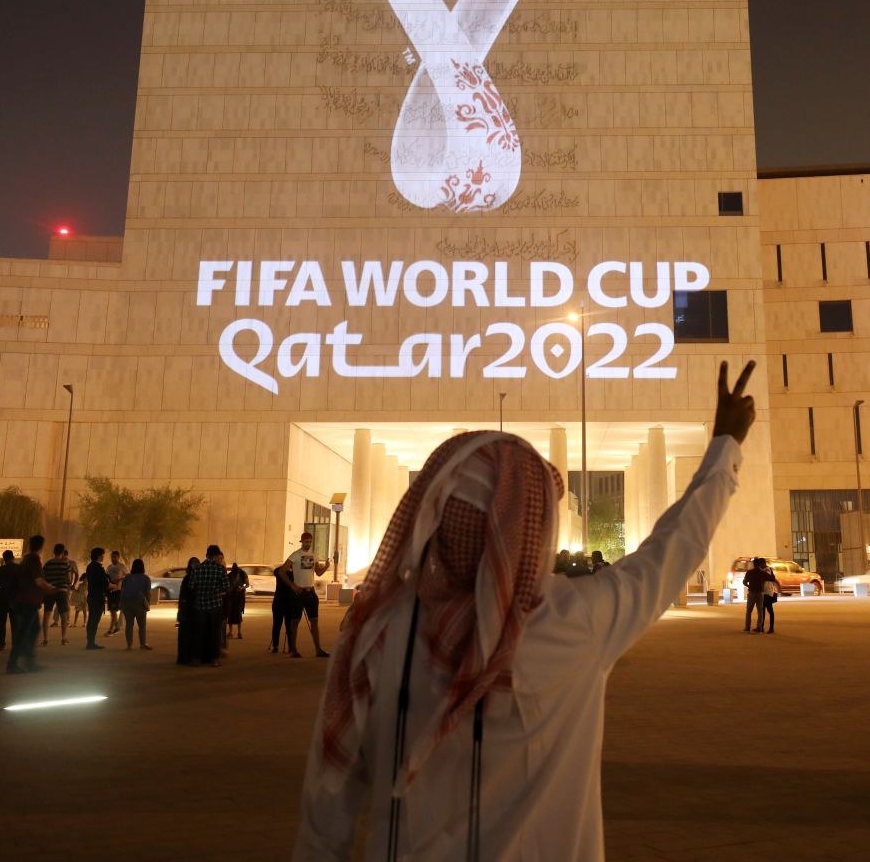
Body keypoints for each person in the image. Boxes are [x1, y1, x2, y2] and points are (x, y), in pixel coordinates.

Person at [294, 360, 756, 861]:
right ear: (531, 530)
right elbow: (672, 550)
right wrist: (725, 446)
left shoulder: (376, 636)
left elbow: (326, 814)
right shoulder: (576, 624)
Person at [7, 535, 60, 674]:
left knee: (34, 629)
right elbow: (38, 581)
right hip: (28, 601)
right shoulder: (34, 560)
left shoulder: (25, 559)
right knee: (24, 632)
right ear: (41, 546)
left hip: (26, 601)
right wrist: (51, 589)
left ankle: (29, 660)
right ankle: (14, 664)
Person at [282, 532, 331, 658]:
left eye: (310, 541)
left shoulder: (314, 555)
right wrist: (292, 585)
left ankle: (318, 649)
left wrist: (326, 567)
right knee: (295, 622)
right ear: (301, 542)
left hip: (311, 593)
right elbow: (282, 571)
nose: (308, 543)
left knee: (314, 621)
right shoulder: (295, 555)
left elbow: (318, 573)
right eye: (306, 541)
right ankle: (293, 649)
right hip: (299, 593)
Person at [190, 545, 229, 666]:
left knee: (199, 633)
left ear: (206, 555)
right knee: (214, 633)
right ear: (217, 555)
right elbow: (227, 587)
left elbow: (191, 586)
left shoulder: (197, 569)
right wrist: (217, 591)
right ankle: (214, 659)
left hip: (200, 605)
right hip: (215, 605)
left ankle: (196, 659)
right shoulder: (220, 569)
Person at [41, 543, 73, 646]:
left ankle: (45, 639)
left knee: (46, 615)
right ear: (63, 552)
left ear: (54, 552)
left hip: (50, 591)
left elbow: (44, 577)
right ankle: (64, 638)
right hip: (62, 591)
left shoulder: (48, 564)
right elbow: (68, 579)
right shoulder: (66, 564)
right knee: (63, 615)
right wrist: (68, 583)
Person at [120, 559, 153, 651]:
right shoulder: (146, 578)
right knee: (142, 625)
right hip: (139, 602)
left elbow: (122, 592)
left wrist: (121, 603)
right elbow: (148, 593)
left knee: (129, 625)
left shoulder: (127, 578)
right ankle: (143, 644)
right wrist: (148, 604)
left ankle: (129, 645)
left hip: (127, 602)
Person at [0, 549, 19, 651]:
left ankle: (1, 644)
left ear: (4, 559)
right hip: (15, 599)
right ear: (13, 558)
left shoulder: (0, 569)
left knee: (1, 622)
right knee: (15, 623)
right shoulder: (19, 568)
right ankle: (16, 645)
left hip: (2, 598)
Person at [83, 547, 111, 650]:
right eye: (103, 555)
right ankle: (91, 643)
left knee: (91, 619)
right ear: (99, 556)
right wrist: (116, 586)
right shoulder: (99, 568)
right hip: (98, 597)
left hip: (91, 596)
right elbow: (105, 584)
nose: (104, 557)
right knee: (95, 620)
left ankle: (89, 641)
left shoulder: (89, 567)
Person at [176, 556, 201, 665]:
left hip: (193, 610)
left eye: (196, 563)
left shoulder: (192, 578)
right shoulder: (189, 578)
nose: (195, 565)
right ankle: (186, 657)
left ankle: (187, 657)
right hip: (190, 610)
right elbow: (183, 596)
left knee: (190, 635)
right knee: (188, 635)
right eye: (193, 563)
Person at [270, 563, 293, 654]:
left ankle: (288, 646)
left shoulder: (288, 573)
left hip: (283, 602)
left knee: (285, 625)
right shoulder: (281, 572)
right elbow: (277, 570)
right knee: (279, 624)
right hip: (282, 602)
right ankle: (278, 645)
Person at [105, 551, 129, 636]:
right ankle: (117, 627)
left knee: (113, 610)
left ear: (118, 557)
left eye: (115, 557)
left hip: (118, 591)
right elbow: (106, 578)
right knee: (112, 611)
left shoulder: (122, 567)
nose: (113, 559)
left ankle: (111, 629)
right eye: (112, 557)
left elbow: (127, 576)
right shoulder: (109, 567)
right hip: (110, 591)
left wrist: (119, 580)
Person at [743, 556, 769, 633]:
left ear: (754, 564)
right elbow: (770, 578)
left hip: (751, 592)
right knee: (760, 611)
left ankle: (747, 627)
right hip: (760, 593)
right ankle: (759, 627)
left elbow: (744, 582)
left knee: (749, 611)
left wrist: (749, 586)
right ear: (759, 565)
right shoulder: (762, 573)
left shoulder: (749, 572)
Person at [226, 562, 249, 640]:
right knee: (231, 614)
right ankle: (233, 632)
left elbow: (247, 584)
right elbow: (226, 585)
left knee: (237, 614)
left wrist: (242, 588)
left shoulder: (242, 574)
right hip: (232, 597)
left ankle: (237, 632)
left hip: (239, 597)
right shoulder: (230, 575)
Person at [762, 562, 781, 634]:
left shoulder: (767, 570)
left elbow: (770, 578)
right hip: (766, 592)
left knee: (769, 610)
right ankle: (763, 627)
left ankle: (771, 628)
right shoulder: (767, 570)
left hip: (767, 592)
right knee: (763, 611)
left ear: (762, 563)